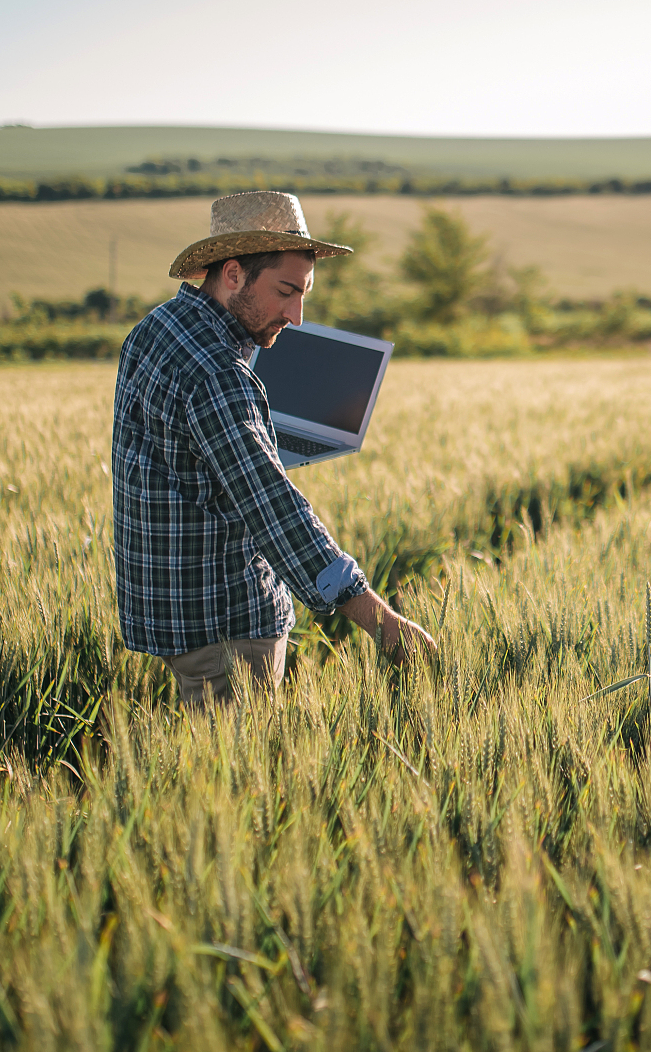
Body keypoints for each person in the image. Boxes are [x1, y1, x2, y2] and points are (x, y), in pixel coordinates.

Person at [112, 190, 439, 706]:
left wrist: (259, 434)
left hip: (174, 611)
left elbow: (177, 455)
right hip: (230, 625)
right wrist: (382, 621)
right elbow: (271, 507)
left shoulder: (155, 330)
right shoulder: (218, 373)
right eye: (286, 291)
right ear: (234, 273)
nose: (298, 315)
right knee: (236, 779)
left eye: (304, 293)